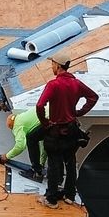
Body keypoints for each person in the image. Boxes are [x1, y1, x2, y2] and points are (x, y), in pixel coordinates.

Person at [34, 54, 98, 207]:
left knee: (54, 165)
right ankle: (69, 195)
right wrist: (78, 112)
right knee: (70, 162)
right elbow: (93, 97)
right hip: (71, 130)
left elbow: (39, 105)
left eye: (53, 63)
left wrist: (45, 122)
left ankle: (51, 199)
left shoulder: (53, 85)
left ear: (58, 65)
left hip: (55, 130)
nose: (52, 66)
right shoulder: (76, 83)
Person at [7, 106, 45, 180]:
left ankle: (37, 172)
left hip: (49, 118)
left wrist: (7, 156)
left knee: (31, 139)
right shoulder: (22, 116)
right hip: (56, 115)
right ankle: (59, 178)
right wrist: (42, 162)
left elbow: (20, 146)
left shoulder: (17, 125)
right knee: (51, 143)